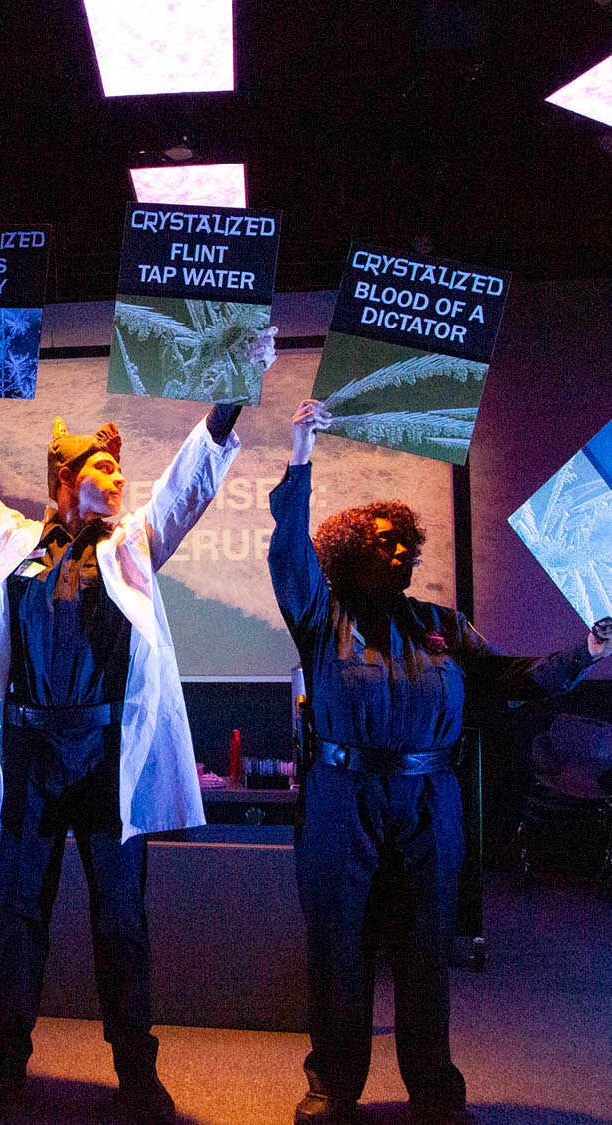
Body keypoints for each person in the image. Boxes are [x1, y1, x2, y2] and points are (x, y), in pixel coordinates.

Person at [0, 319, 276, 1123]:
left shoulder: (132, 545)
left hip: (106, 753)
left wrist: (232, 397)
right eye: (103, 467)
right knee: (18, 916)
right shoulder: (10, 541)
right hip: (30, 751)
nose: (119, 477)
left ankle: (136, 1074)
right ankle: (3, 1066)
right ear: (64, 479)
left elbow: (186, 485)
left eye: (120, 467)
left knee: (121, 920)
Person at [268, 399, 612, 1125]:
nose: (400, 553)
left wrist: (585, 651)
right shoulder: (321, 617)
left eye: (405, 543)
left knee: (426, 948)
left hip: (429, 800)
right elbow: (287, 551)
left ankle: (433, 1091)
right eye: (383, 542)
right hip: (342, 798)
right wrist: (301, 449)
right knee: (340, 947)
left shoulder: (442, 626)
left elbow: (511, 678)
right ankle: (332, 1086)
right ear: (349, 551)